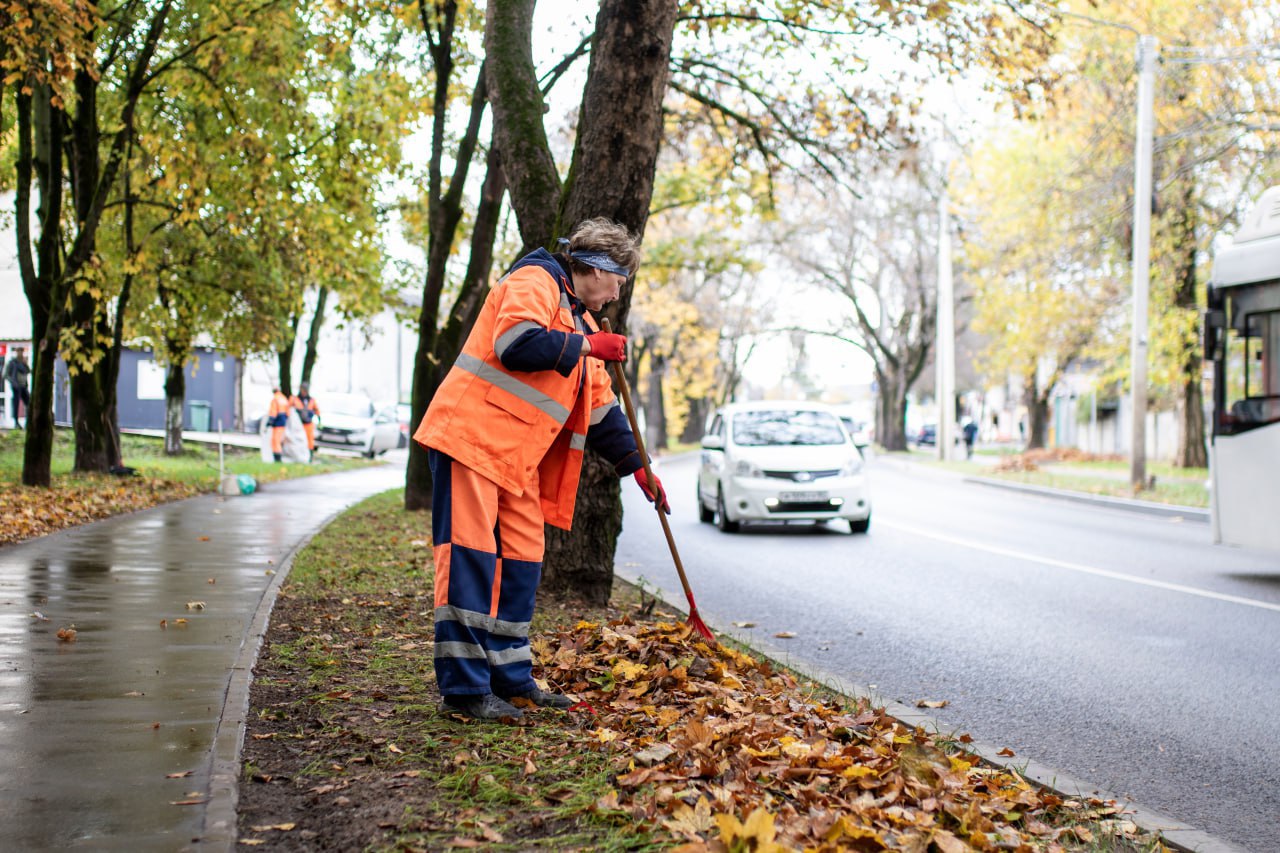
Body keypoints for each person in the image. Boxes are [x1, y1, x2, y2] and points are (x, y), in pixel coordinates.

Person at [414, 218, 670, 722]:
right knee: (470, 562)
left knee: (522, 565)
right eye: (617, 282)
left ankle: (511, 680)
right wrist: (586, 347)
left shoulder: (585, 322)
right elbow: (517, 344)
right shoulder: (534, 282)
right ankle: (464, 691)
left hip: (515, 460)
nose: (616, 295)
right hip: (470, 441)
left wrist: (639, 468)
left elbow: (601, 412)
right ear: (595, 268)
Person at [290, 383, 321, 460]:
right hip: (298, 425)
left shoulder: (311, 400)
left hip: (308, 424)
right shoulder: (294, 399)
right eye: (303, 389)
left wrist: (319, 421)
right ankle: (297, 457)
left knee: (309, 441)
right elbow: (289, 409)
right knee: (297, 440)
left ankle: (309, 458)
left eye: (305, 390)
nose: (304, 391)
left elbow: (317, 410)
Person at [4, 346, 31, 429]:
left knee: (29, 403)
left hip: (23, 386)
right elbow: (6, 375)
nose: (21, 353)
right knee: (16, 404)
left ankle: (29, 422)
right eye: (19, 351)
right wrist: (13, 382)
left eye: (22, 351)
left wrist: (25, 364)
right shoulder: (12, 362)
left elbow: (28, 371)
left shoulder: (23, 362)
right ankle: (16, 423)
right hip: (16, 386)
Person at [266, 386, 291, 462]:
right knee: (278, 440)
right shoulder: (284, 398)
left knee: (275, 441)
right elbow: (288, 413)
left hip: (277, 423)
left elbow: (273, 412)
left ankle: (277, 459)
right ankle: (278, 457)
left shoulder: (275, 399)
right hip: (282, 423)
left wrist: (270, 422)